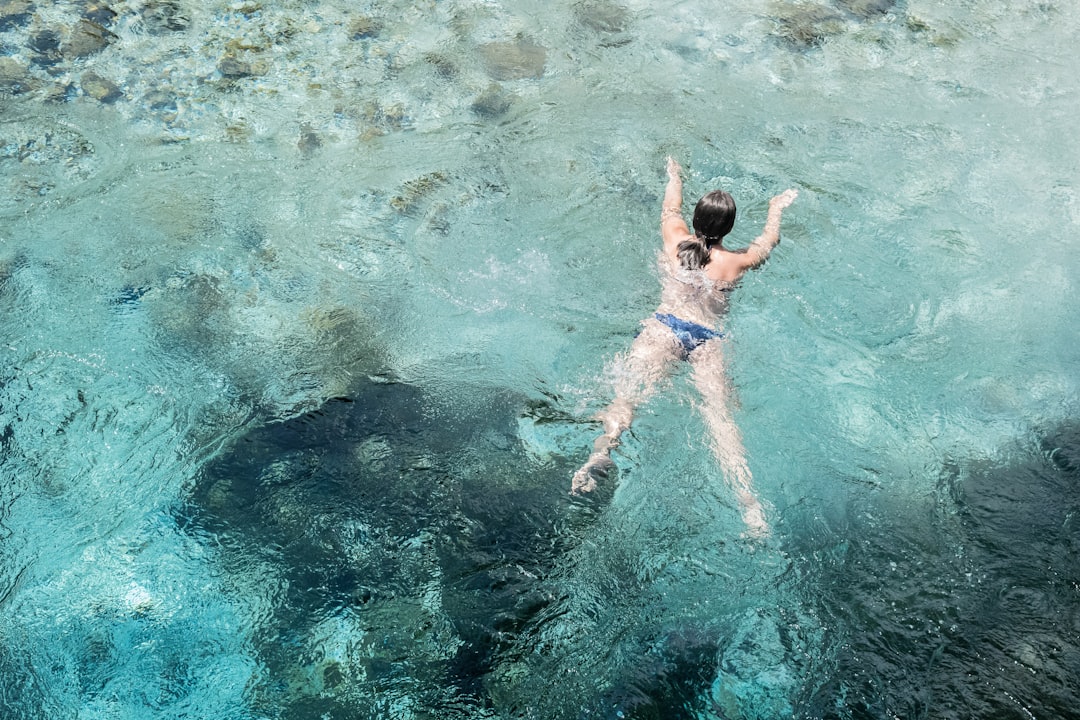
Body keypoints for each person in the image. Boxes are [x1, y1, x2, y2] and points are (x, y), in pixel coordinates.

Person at [571, 157, 797, 536]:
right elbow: (768, 241)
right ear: (728, 228)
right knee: (719, 418)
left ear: (696, 221)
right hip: (708, 340)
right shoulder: (737, 262)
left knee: (626, 401)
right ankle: (748, 503)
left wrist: (674, 175)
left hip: (665, 328)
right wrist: (775, 208)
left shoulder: (676, 239)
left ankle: (600, 455)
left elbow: (669, 207)